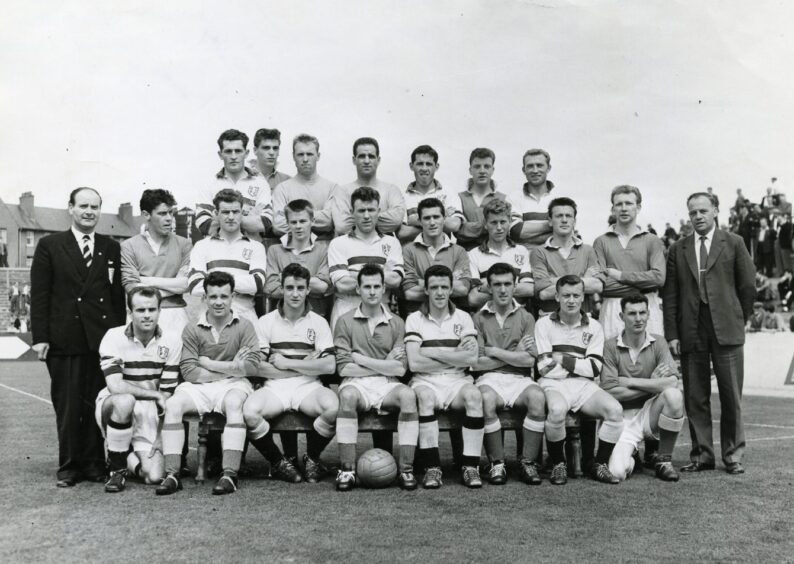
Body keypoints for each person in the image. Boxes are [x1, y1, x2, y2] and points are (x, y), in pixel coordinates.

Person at [30, 187, 127, 487]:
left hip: (101, 340)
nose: (89, 212)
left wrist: (120, 337)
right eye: (83, 206)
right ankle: (70, 466)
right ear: (70, 208)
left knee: (95, 402)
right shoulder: (50, 245)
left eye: (94, 207)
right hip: (65, 339)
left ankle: (95, 463)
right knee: (69, 405)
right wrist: (41, 337)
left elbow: (116, 297)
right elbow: (40, 295)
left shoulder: (110, 247)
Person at [663, 191, 755, 475]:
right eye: (693, 212)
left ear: (715, 210)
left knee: (731, 396)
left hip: (727, 329)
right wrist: (672, 334)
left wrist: (738, 318)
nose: (698, 216)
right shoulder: (677, 249)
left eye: (703, 211)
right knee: (695, 397)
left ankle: (733, 456)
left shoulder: (734, 242)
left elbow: (748, 286)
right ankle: (702, 455)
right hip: (691, 330)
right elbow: (671, 295)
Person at [157, 271, 261, 495]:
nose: (218, 302)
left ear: (233, 297)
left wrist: (210, 364)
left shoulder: (245, 326)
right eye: (213, 296)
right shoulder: (192, 328)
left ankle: (230, 474)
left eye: (224, 296)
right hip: (202, 386)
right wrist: (232, 367)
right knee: (173, 405)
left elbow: (252, 367)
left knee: (234, 403)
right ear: (204, 298)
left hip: (234, 385)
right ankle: (172, 474)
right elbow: (189, 372)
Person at [244, 263, 338, 483]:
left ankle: (312, 458)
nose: (295, 294)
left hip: (309, 386)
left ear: (308, 290)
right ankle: (279, 463)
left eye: (300, 288)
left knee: (333, 408)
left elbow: (329, 366)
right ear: (282, 289)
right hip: (275, 387)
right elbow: (257, 366)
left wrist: (285, 362)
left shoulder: (319, 322)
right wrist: (304, 365)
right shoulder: (265, 322)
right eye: (290, 288)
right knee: (249, 412)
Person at [333, 264, 418, 491]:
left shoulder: (397, 322)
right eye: (367, 286)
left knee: (408, 396)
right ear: (358, 289)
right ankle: (347, 470)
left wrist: (360, 358)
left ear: (384, 289)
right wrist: (384, 364)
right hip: (356, 384)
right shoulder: (344, 321)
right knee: (347, 396)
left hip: (387, 385)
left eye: (376, 286)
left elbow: (400, 370)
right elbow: (344, 369)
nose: (372, 291)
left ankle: (406, 470)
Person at [534, 274, 624, 485]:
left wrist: (561, 358)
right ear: (557, 297)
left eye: (576, 295)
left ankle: (599, 464)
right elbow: (545, 368)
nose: (571, 300)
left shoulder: (594, 326)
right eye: (566, 295)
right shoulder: (543, 324)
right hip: (553, 384)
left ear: (583, 297)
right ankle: (559, 464)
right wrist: (577, 366)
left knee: (615, 410)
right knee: (556, 410)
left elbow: (594, 368)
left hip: (584, 385)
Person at [95, 286, 182, 492]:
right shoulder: (113, 336)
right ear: (130, 312)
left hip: (150, 411)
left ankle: (121, 455)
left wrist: (160, 435)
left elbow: (166, 395)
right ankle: (116, 472)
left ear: (159, 311)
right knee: (125, 401)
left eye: (152, 309)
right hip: (116, 404)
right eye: (140, 310)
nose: (147, 315)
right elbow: (116, 386)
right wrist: (154, 394)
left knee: (154, 476)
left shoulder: (172, 340)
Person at [405, 265, 484, 488]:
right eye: (434, 287)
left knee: (474, 396)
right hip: (424, 380)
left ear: (451, 289)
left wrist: (432, 351)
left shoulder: (464, 317)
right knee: (425, 398)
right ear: (426, 290)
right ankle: (432, 468)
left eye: (444, 287)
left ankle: (470, 467)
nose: (439, 292)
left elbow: (472, 359)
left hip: (457, 380)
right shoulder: (414, 319)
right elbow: (414, 362)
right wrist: (455, 353)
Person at [472, 263, 546, 485]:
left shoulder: (527, 317)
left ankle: (528, 463)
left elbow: (529, 360)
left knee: (537, 397)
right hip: (488, 378)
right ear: (489, 287)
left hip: (520, 378)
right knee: (485, 399)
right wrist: (514, 353)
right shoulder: (478, 318)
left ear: (515, 286)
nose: (503, 290)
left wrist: (494, 351)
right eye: (497, 284)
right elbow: (477, 363)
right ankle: (497, 464)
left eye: (507, 284)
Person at [600, 294, 684, 482]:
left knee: (674, 396)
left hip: (649, 414)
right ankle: (632, 458)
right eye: (632, 314)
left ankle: (664, 460)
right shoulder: (610, 346)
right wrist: (653, 384)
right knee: (617, 472)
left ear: (648, 314)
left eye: (642, 313)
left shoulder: (659, 342)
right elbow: (610, 392)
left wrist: (630, 381)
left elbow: (672, 382)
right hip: (621, 418)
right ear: (621, 317)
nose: (638, 318)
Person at [594, 185, 666, 339]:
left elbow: (658, 278)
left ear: (638, 207)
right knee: (613, 352)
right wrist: (644, 282)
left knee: (649, 352)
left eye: (629, 203)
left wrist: (620, 275)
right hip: (612, 310)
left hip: (646, 307)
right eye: (619, 204)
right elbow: (601, 284)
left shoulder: (652, 240)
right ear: (613, 209)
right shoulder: (601, 241)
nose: (624, 208)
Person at [187, 189, 267, 326]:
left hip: (245, 317)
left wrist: (212, 281)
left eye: (235, 212)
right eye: (225, 212)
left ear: (242, 213)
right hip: (209, 320)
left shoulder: (256, 247)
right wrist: (240, 283)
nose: (231, 217)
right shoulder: (202, 246)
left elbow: (257, 284)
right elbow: (195, 286)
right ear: (216, 214)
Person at [327, 186, 403, 328]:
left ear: (378, 211)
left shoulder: (391, 243)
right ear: (352, 212)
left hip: (381, 310)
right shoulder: (338, 243)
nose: (367, 216)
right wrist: (381, 275)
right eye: (361, 211)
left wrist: (353, 274)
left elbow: (395, 280)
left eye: (371, 210)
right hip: (346, 309)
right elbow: (342, 285)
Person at [121, 189, 192, 337]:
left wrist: (145, 280)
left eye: (171, 213)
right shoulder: (129, 246)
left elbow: (186, 284)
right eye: (162, 213)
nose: (169, 218)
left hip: (176, 317)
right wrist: (174, 286)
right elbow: (132, 289)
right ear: (146, 215)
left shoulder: (184, 244)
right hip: (142, 316)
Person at [194, 129, 272, 243]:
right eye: (228, 151)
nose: (233, 156)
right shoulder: (209, 184)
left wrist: (222, 217)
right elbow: (203, 224)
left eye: (238, 151)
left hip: (249, 248)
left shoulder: (260, 184)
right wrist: (246, 217)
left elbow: (266, 223)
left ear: (246, 153)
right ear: (220, 155)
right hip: (217, 248)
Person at [530, 197, 602, 316]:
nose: (564, 220)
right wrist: (584, 279)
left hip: (583, 319)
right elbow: (544, 293)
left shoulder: (588, 250)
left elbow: (597, 286)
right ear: (550, 221)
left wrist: (553, 281)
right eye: (559, 216)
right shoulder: (539, 252)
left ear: (574, 221)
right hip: (550, 319)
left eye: (568, 216)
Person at [402, 198, 471, 315]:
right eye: (427, 218)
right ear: (419, 221)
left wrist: (420, 282)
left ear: (444, 219)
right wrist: (448, 284)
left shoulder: (459, 251)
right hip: (418, 317)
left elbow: (463, 289)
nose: (432, 222)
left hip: (451, 316)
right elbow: (410, 292)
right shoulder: (408, 250)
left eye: (436, 217)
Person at [264, 199, 331, 318]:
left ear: (312, 221)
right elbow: (270, 289)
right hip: (281, 318)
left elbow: (322, 287)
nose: (298, 226)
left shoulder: (323, 250)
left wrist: (283, 278)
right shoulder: (274, 250)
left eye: (303, 221)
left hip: (314, 317)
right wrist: (310, 282)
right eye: (294, 222)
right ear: (287, 223)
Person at [467, 199, 533, 310]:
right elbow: (473, 298)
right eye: (493, 223)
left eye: (502, 222)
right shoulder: (473, 254)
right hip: (487, 316)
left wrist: (487, 286)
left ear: (510, 222)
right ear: (485, 224)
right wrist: (514, 287)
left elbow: (529, 289)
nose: (499, 228)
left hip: (518, 314)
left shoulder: (522, 251)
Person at [332, 137, 406, 236]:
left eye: (371, 156)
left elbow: (396, 220)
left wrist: (358, 217)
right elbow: (342, 226)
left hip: (383, 244)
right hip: (350, 244)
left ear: (378, 160)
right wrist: (376, 217)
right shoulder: (342, 191)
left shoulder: (391, 190)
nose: (366, 161)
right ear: (354, 160)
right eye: (362, 156)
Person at [271, 134, 337, 239]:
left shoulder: (332, 188)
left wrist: (293, 218)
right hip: (291, 247)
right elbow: (278, 226)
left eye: (309, 154)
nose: (305, 159)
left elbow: (329, 221)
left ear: (318, 156)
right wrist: (316, 219)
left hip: (324, 246)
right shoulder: (282, 189)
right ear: (293, 156)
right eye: (300, 154)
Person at [397, 145, 463, 243]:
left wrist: (415, 220)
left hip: (442, 251)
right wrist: (439, 220)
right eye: (420, 164)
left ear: (436, 167)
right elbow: (402, 233)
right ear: (411, 166)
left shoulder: (448, 192)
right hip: (411, 252)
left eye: (429, 164)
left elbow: (454, 225)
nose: (424, 168)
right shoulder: (401, 196)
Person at [456, 148, 514, 250]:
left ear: (492, 170)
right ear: (470, 170)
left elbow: (507, 230)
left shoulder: (504, 198)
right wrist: (489, 225)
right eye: (477, 166)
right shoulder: (458, 198)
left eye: (487, 166)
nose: (482, 171)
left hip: (495, 253)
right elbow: (457, 231)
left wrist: (468, 228)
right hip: (465, 253)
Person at [510, 148, 557, 251]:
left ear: (548, 168)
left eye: (539, 165)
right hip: (524, 257)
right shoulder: (513, 198)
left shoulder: (559, 197)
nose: (535, 170)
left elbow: (567, 233)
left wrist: (528, 234)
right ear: (524, 170)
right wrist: (553, 224)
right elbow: (516, 232)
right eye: (530, 166)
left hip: (553, 256)